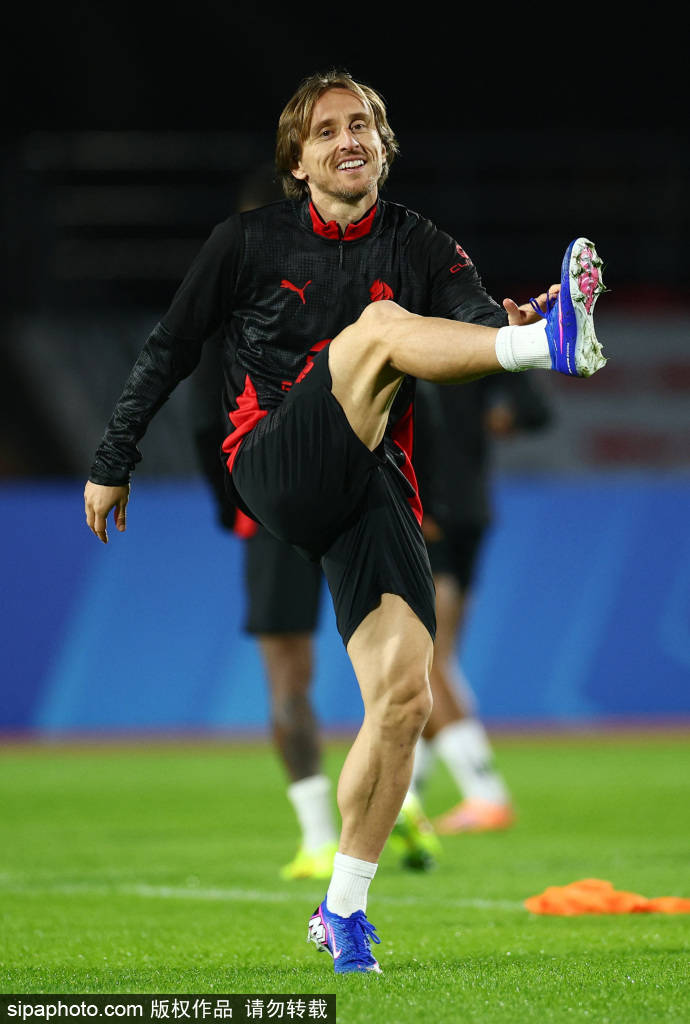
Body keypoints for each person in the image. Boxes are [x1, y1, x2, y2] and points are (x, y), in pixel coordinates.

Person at [83, 69, 607, 974]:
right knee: (378, 329)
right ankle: (547, 347)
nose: (347, 139)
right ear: (297, 161)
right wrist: (111, 458)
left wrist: (505, 327)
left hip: (371, 485)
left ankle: (343, 909)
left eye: (360, 124)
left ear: (383, 145)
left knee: (404, 698)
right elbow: (170, 348)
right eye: (324, 131)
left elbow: (468, 323)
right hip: (272, 463)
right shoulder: (246, 241)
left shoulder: (420, 240)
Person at [409, 372, 552, 834]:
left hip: (426, 508)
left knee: (425, 659)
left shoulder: (408, 342)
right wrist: (482, 421)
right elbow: (534, 410)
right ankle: (406, 800)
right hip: (471, 506)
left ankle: (486, 794)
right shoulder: (477, 340)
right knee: (438, 659)